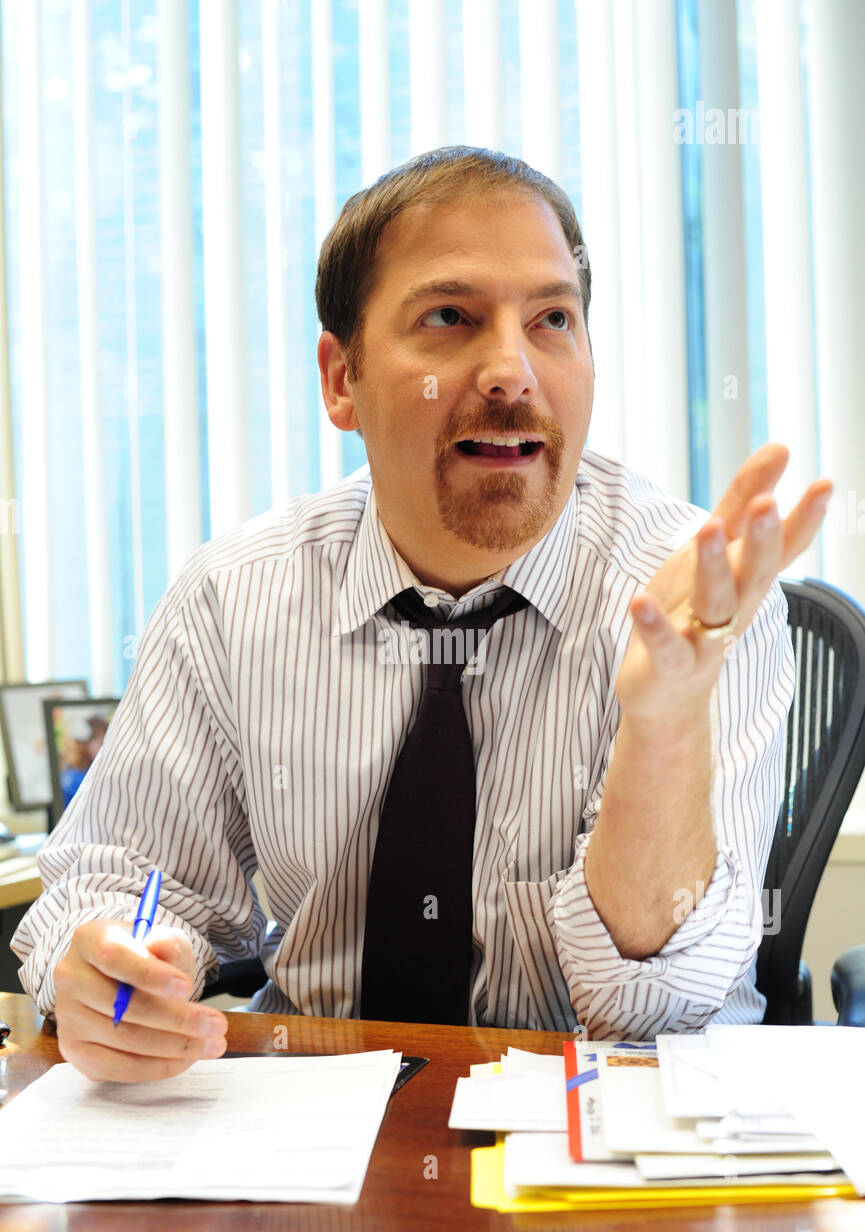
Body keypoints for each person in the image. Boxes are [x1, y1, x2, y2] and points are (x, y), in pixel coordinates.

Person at [11, 146, 832, 1082]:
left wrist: (662, 724)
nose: (512, 371)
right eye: (450, 317)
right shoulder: (234, 593)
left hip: (606, 1135)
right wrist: (110, 964)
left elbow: (652, 1013)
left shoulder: (693, 602)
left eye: (552, 319)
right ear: (341, 380)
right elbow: (123, 875)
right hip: (304, 1122)